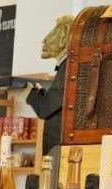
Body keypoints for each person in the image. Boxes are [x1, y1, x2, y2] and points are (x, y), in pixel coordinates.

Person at [26, 14, 74, 156]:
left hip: (59, 149)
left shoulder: (68, 67)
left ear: (65, 33)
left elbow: (45, 109)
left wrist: (28, 92)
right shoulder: (69, 66)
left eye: (53, 33)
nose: (45, 39)